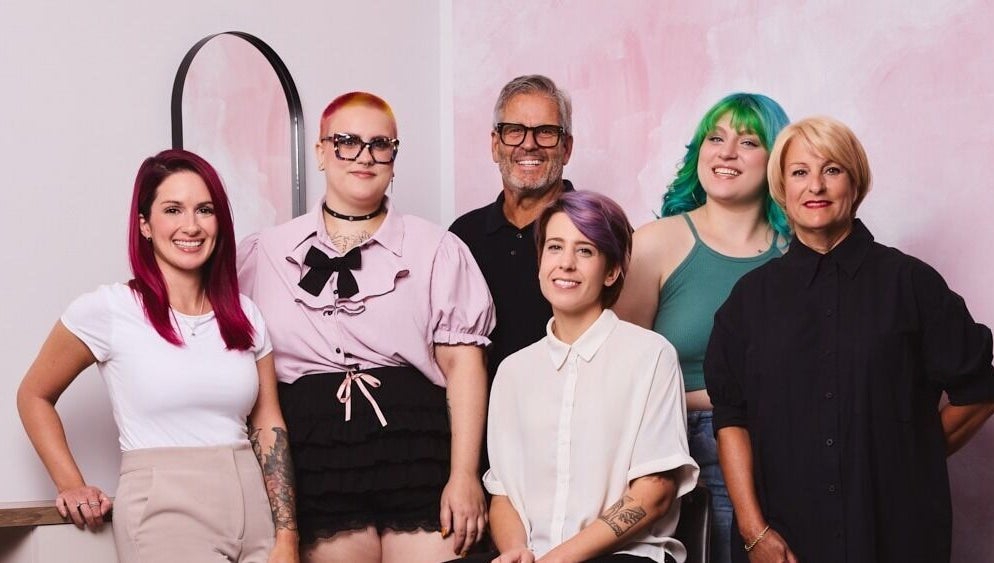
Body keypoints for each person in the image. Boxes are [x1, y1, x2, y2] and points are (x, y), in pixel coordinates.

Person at [704, 116, 994, 562]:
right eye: (799, 172)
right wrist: (754, 531)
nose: (815, 186)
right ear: (782, 188)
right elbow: (731, 418)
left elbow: (979, 389)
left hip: (897, 536)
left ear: (855, 183)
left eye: (832, 170)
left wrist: (912, 456)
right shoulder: (749, 300)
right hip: (783, 541)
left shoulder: (911, 284)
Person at [238, 92, 495, 563]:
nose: (364, 156)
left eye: (380, 144)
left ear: (394, 158)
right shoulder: (264, 253)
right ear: (320, 151)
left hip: (416, 453)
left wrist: (464, 476)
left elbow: (464, 367)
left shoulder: (437, 248)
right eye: (347, 142)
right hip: (315, 460)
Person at [17, 149, 299, 563]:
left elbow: (268, 424)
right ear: (145, 225)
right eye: (173, 210)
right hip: (164, 513)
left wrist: (287, 536)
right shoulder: (109, 309)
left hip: (254, 510)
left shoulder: (245, 315)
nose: (191, 225)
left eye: (205, 210)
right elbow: (33, 395)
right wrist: (70, 483)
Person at [464, 191, 698, 563]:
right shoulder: (513, 371)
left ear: (612, 270)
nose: (566, 263)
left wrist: (558, 559)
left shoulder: (650, 356)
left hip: (626, 555)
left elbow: (655, 491)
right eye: (555, 247)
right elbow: (503, 494)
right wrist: (517, 554)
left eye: (585, 250)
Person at [615, 93, 790, 563]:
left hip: (779, 446)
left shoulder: (796, 253)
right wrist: (712, 402)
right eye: (716, 138)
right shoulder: (655, 244)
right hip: (680, 448)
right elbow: (621, 373)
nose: (726, 153)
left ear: (776, 159)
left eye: (748, 142)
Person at [450, 74, 575, 381]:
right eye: (514, 131)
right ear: (496, 145)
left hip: (574, 407)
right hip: (483, 410)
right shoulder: (462, 237)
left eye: (545, 132)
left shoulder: (598, 231)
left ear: (566, 148)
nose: (529, 144)